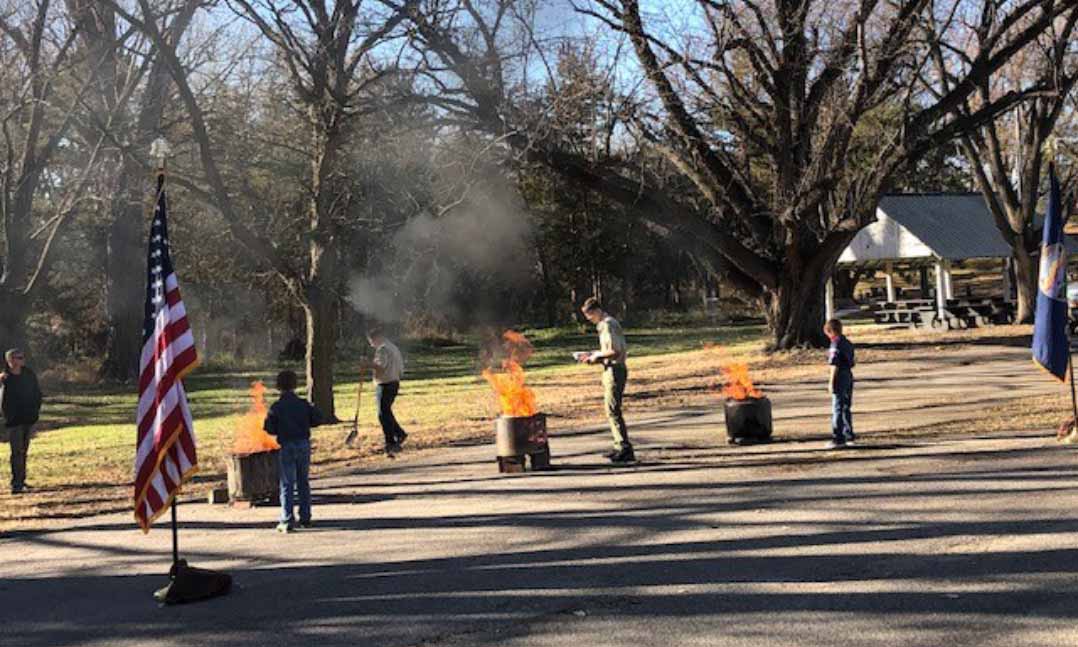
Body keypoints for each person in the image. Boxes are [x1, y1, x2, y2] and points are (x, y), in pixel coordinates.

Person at [263, 370, 324, 532]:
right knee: (303, 481)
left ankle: (287, 519)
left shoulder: (277, 407)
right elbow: (318, 418)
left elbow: (269, 428)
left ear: (278, 387)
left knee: (287, 483)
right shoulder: (303, 404)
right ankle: (305, 517)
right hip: (303, 444)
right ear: (295, 385)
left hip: (287, 446)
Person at [578, 297, 635, 463]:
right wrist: (592, 355)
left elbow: (614, 352)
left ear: (595, 311)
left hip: (615, 370)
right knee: (611, 409)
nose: (588, 319)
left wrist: (595, 357)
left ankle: (624, 448)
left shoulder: (607, 324)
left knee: (612, 410)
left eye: (589, 315)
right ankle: (619, 445)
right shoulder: (606, 324)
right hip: (610, 369)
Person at [1, 349, 42, 495]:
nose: (21, 360)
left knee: (24, 451)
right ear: (10, 360)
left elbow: (37, 393)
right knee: (16, 451)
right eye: (18, 357)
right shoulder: (5, 378)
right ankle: (16, 483)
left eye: (22, 357)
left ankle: (22, 479)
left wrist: (35, 412)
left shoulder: (29, 375)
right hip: (13, 421)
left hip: (28, 418)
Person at [366, 327, 407, 455]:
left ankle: (391, 442)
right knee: (386, 412)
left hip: (385, 383)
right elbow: (401, 368)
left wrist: (367, 364)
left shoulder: (383, 349)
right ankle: (399, 433)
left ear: (377, 338)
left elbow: (381, 367)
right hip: (394, 382)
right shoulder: (393, 347)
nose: (371, 344)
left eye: (371, 341)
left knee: (382, 414)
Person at [824, 318, 856, 449]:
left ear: (830, 332)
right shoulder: (847, 343)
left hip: (839, 376)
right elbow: (853, 361)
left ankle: (838, 437)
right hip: (848, 374)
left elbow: (834, 364)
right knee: (846, 406)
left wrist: (831, 382)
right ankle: (848, 434)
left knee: (837, 406)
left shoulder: (835, 344)